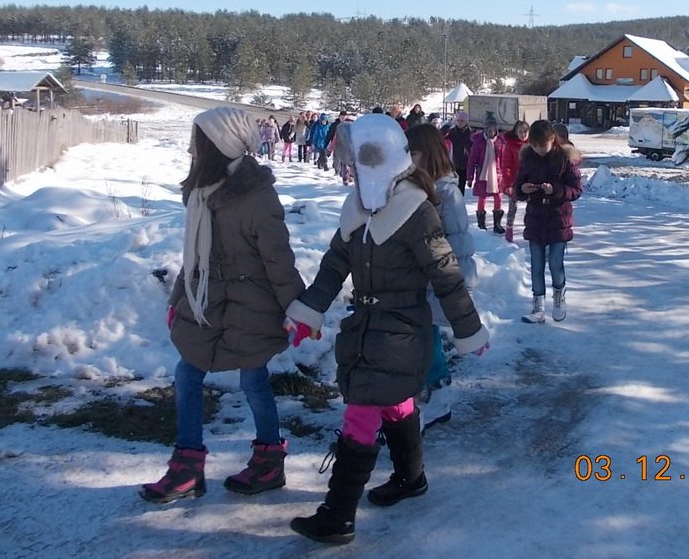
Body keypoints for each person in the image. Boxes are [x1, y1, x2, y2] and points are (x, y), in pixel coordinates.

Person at [283, 113, 489, 545]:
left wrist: (468, 329)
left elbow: (446, 273)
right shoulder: (358, 208)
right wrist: (308, 312)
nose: (362, 164)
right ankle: (411, 478)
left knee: (362, 409)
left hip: (402, 329)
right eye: (361, 156)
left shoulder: (417, 210)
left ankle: (337, 516)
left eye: (370, 155)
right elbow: (333, 266)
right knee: (395, 403)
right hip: (366, 324)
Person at [140, 106, 306, 504]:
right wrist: (179, 297)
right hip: (206, 303)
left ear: (219, 143)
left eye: (198, 141)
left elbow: (278, 260)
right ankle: (187, 467)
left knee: (252, 379)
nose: (191, 149)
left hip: (251, 307)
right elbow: (193, 257)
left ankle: (269, 461)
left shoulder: (257, 196)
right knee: (187, 373)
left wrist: (298, 310)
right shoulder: (201, 192)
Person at [404, 123, 477, 431]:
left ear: (428, 154)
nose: (408, 159)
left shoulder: (446, 194)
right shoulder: (419, 189)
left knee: (426, 338)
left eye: (413, 153)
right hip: (419, 279)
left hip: (437, 280)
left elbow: (458, 242)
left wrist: (455, 283)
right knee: (424, 337)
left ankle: (436, 396)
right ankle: (433, 395)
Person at [515, 120, 583, 324]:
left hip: (558, 219)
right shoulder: (528, 157)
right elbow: (518, 184)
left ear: (552, 139)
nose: (537, 149)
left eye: (541, 145)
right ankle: (538, 306)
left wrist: (555, 190)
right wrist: (522, 189)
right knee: (536, 265)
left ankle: (559, 297)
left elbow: (576, 189)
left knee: (555, 263)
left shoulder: (564, 159)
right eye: (534, 145)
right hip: (535, 218)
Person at [467, 113, 505, 233]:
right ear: (485, 129)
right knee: (482, 197)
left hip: (497, 174)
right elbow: (472, 160)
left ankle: (497, 224)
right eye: (489, 129)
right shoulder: (479, 142)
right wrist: (469, 177)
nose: (491, 131)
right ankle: (481, 223)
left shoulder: (500, 142)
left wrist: (506, 175)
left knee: (498, 197)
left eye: (493, 129)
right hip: (482, 174)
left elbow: (504, 160)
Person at [498, 120, 530, 243]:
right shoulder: (510, 146)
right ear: (516, 132)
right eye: (520, 132)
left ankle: (530, 227)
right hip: (515, 181)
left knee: (531, 206)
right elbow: (506, 166)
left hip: (529, 181)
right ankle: (509, 228)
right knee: (513, 206)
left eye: (525, 132)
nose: (523, 134)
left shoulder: (532, 145)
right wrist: (508, 183)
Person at [445, 111, 473, 195]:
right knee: (453, 186)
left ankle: (460, 200)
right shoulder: (452, 132)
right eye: (458, 120)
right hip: (454, 162)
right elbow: (441, 137)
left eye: (462, 121)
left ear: (466, 122)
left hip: (465, 163)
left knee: (461, 186)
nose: (460, 123)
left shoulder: (470, 133)